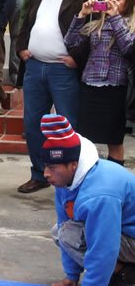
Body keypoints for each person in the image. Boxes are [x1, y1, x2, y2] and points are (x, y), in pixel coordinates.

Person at [16, 0, 101, 194]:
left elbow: (93, 31)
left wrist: (77, 57)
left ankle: (73, 177)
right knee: (33, 124)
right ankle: (40, 173)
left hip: (64, 70)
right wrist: (21, 47)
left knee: (68, 125)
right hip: (35, 67)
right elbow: (24, 20)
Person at [40, 113, 135, 286]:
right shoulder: (65, 181)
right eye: (46, 166)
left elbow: (103, 248)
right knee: (61, 232)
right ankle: (122, 270)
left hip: (130, 236)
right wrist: (71, 277)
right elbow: (63, 225)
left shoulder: (99, 194)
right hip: (125, 234)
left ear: (73, 165)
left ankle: (124, 275)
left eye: (52, 167)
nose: (46, 174)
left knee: (72, 234)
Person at [64, 0, 135, 166]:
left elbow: (128, 48)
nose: (112, 1)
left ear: (129, 0)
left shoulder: (131, 26)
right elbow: (70, 43)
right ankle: (88, 180)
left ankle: (113, 183)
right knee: (86, 140)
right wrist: (81, 15)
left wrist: (114, 17)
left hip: (115, 89)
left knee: (114, 140)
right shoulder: (96, 24)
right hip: (90, 87)